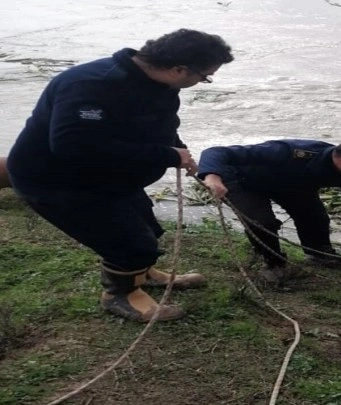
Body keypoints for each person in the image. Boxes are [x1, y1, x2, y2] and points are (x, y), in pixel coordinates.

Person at [6, 29, 234, 322]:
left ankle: (142, 275)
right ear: (179, 69)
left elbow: (160, 124)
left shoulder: (160, 84)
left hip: (110, 174)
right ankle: (121, 295)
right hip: (58, 181)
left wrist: (179, 150)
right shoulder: (91, 85)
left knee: (147, 229)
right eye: (205, 77)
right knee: (130, 243)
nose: (202, 82)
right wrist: (166, 156)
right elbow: (73, 146)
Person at [198, 138, 341, 275]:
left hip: (292, 185)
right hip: (242, 181)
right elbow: (216, 152)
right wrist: (213, 176)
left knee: (315, 217)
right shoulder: (290, 151)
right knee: (262, 222)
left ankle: (320, 255)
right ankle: (274, 264)